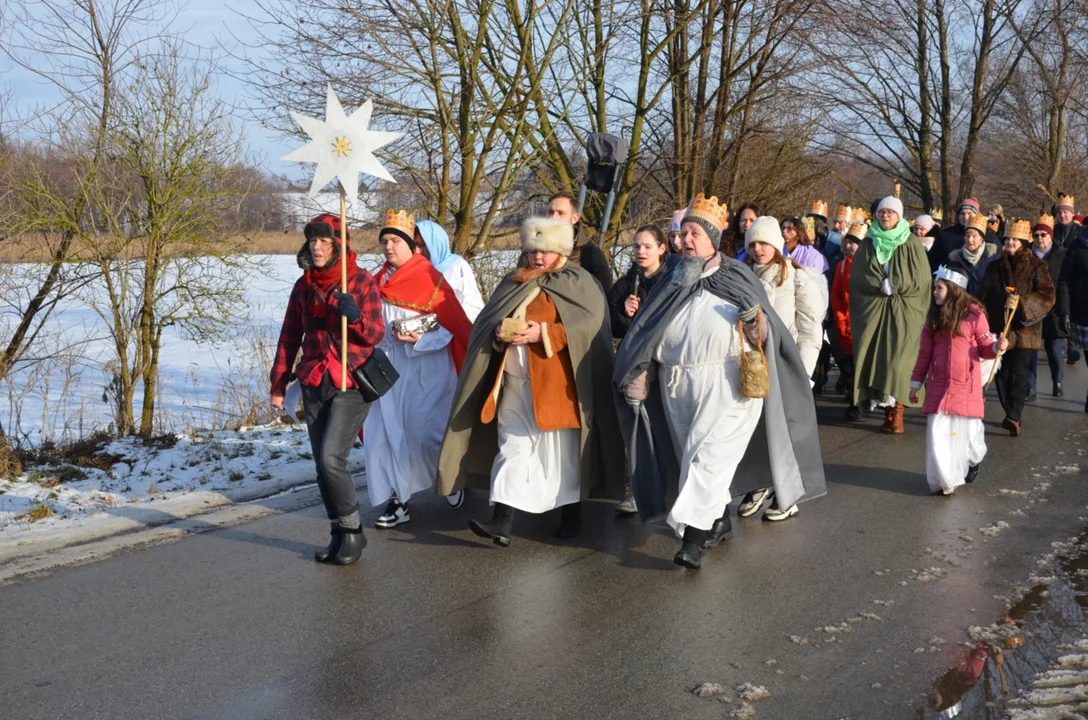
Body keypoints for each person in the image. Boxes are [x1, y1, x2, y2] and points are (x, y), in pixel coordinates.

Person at [613, 193, 826, 569]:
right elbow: (646, 332)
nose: (685, 240)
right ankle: (719, 520)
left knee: (708, 458)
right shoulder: (670, 279)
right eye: (682, 233)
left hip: (727, 385)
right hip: (677, 384)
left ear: (713, 237)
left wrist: (752, 320)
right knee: (688, 458)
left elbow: (766, 335)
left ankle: (692, 541)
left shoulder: (736, 276)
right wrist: (639, 371)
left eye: (694, 232)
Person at [436, 217, 624, 546]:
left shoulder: (580, 283)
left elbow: (590, 329)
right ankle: (502, 522)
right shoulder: (514, 281)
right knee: (512, 447)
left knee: (562, 454)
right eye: (532, 250)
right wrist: (497, 333)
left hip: (558, 389)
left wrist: (544, 333)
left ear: (561, 250)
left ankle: (571, 514)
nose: (537, 257)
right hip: (511, 381)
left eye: (545, 251)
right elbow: (488, 321)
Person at [269, 213, 384, 565]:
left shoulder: (360, 281)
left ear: (339, 245)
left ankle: (353, 533)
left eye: (324, 242)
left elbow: (376, 335)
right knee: (321, 464)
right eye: (312, 241)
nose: (317, 248)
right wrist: (278, 383)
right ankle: (338, 532)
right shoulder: (303, 286)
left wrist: (356, 316)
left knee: (333, 458)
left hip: (351, 381)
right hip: (315, 381)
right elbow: (289, 337)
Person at [364, 211, 474, 529]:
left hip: (429, 368)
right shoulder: (377, 281)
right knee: (389, 435)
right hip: (390, 367)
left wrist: (421, 336)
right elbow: (372, 323)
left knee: (427, 434)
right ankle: (400, 501)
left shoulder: (432, 279)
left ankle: (452, 476)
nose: (388, 246)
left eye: (395, 240)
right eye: (384, 241)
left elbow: (452, 325)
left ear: (410, 244)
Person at [737, 217, 825, 521]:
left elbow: (810, 330)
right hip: (750, 364)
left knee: (784, 431)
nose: (758, 249)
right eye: (753, 243)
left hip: (786, 364)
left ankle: (788, 493)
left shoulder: (797, 278)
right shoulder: (742, 275)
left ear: (776, 243)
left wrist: (804, 372)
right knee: (753, 429)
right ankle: (760, 483)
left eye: (764, 243)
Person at [910, 267, 1005, 495]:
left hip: (965, 386)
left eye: (939, 288)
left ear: (953, 289)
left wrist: (996, 347)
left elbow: (984, 348)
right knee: (938, 435)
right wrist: (915, 383)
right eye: (934, 288)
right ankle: (945, 480)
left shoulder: (974, 315)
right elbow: (924, 354)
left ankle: (972, 460)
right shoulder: (933, 317)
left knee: (968, 437)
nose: (934, 292)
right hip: (939, 385)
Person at [850, 196, 932, 434]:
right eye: (881, 212)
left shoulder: (911, 244)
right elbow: (858, 275)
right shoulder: (868, 243)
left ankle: (898, 410)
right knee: (877, 358)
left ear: (899, 216)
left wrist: (896, 284)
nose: (885, 216)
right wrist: (877, 284)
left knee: (899, 360)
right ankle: (885, 409)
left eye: (890, 212)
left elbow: (922, 279)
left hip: (904, 310)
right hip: (875, 308)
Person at [977, 219, 1056, 436]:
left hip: (1024, 330)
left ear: (1023, 241)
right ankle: (1008, 409)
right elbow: (982, 295)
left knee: (1019, 372)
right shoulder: (994, 265)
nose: (1011, 243)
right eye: (1008, 239)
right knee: (1001, 373)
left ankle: (1014, 415)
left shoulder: (1037, 266)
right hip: (998, 328)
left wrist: (1021, 303)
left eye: (1015, 239)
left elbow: (1048, 297)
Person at [1027, 214, 1069, 398]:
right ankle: (1031, 387)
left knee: (1053, 349)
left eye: (1044, 235)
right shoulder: (1027, 254)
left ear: (1050, 236)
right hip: (1032, 307)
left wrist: (1065, 311)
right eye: (1036, 235)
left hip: (1054, 307)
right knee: (1031, 349)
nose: (1040, 239)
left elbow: (1065, 284)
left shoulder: (1061, 254)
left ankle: (1057, 382)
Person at [415, 220, 485, 320]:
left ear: (435, 244)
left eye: (421, 245)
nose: (416, 251)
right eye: (414, 245)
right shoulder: (414, 270)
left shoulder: (456, 266)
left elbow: (472, 306)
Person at [545, 192, 613, 292]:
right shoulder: (532, 252)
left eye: (561, 213)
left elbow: (604, 299)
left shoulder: (591, 255)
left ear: (575, 218)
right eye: (550, 212)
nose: (554, 217)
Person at [609, 225, 668, 338]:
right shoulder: (623, 285)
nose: (641, 251)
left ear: (661, 249)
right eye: (637, 246)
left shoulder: (671, 283)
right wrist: (625, 314)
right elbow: (612, 329)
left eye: (647, 247)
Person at [833, 223, 864, 420]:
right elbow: (836, 292)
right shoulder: (841, 265)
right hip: (845, 321)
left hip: (862, 322)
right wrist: (840, 316)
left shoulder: (868, 265)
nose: (848, 246)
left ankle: (857, 403)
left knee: (860, 365)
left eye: (853, 242)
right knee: (847, 364)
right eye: (847, 241)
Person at [946, 213, 999, 295]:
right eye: (967, 236)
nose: (970, 240)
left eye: (974, 236)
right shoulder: (955, 259)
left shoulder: (993, 260)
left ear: (981, 239)